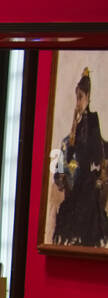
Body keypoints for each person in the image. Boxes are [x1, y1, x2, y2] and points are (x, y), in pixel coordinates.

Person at [52, 68, 108, 248]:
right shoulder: (73, 131)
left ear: (88, 97)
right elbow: (68, 153)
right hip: (76, 182)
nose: (78, 102)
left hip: (88, 180)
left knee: (88, 200)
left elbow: (97, 153)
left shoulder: (92, 122)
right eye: (76, 98)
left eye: (81, 97)